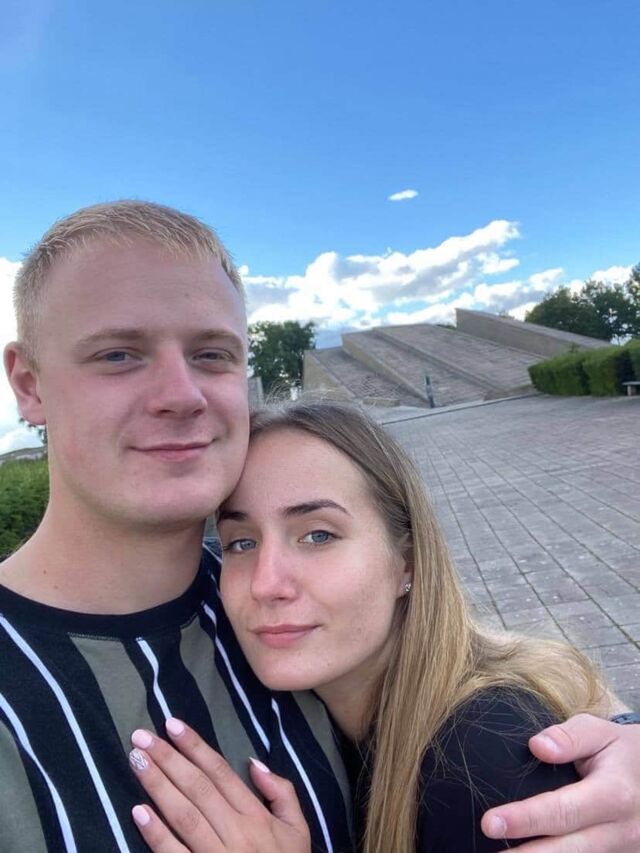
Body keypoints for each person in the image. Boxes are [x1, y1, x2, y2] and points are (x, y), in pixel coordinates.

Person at [1, 200, 639, 852]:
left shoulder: (261, 613)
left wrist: (616, 734)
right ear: (28, 384)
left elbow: (472, 666)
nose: (181, 394)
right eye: (117, 354)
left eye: (212, 354)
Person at [126, 402, 638, 852]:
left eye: (318, 535)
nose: (265, 584)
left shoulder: (483, 759)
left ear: (407, 562)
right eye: (241, 542)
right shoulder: (330, 718)